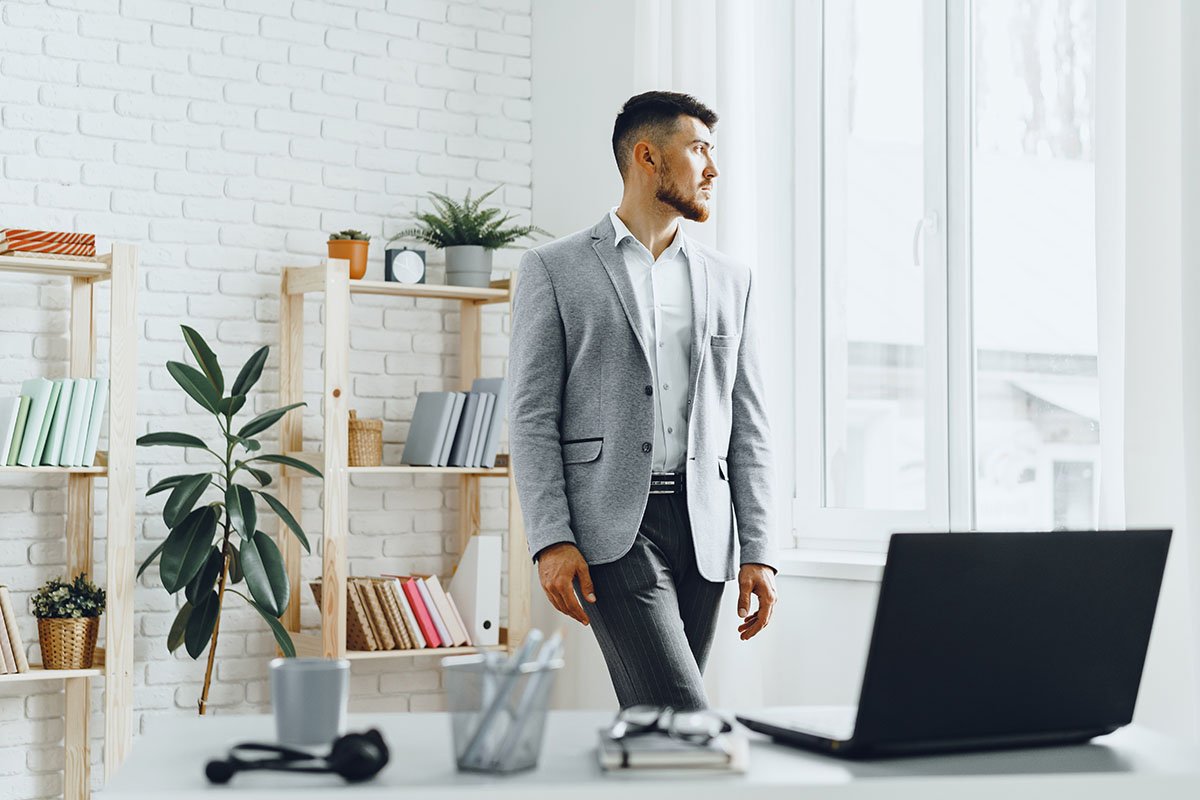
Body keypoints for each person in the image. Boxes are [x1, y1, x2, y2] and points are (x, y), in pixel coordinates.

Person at [508, 90, 778, 711]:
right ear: (647, 156)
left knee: (661, 731)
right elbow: (530, 415)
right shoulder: (554, 269)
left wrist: (759, 548)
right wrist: (550, 537)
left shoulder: (731, 280)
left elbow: (750, 423)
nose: (714, 169)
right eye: (700, 150)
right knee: (684, 714)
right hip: (613, 532)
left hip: (708, 533)